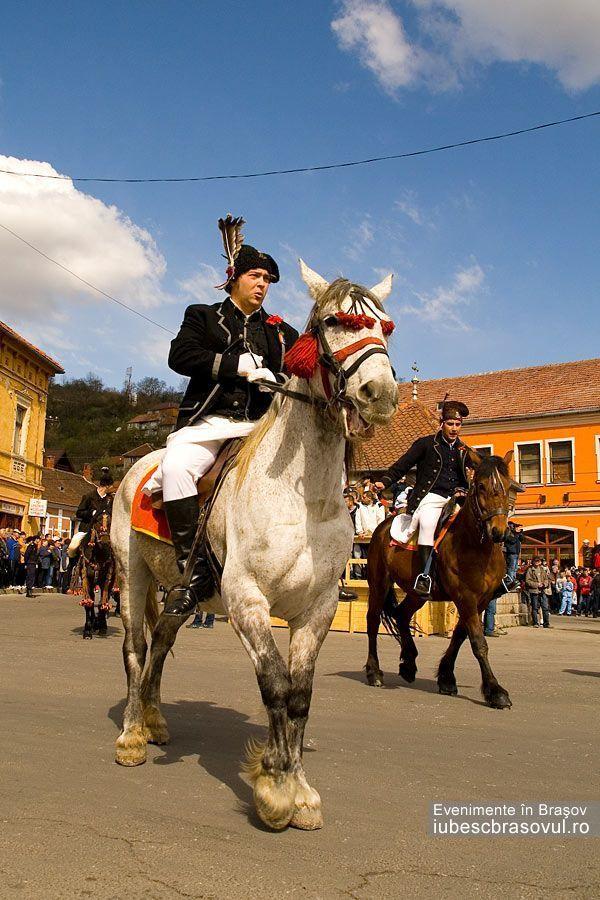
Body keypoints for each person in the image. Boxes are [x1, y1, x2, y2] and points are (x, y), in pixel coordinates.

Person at [143, 216, 298, 617]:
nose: (262, 284)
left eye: (267, 279)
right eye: (255, 275)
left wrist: (276, 377)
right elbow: (180, 357)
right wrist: (235, 366)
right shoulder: (203, 316)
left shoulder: (281, 332)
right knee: (177, 468)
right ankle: (192, 571)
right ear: (234, 278)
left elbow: (304, 369)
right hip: (209, 425)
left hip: (261, 429)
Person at [383, 399, 472, 598]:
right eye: (450, 424)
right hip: (431, 497)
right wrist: (385, 481)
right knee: (428, 523)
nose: (454, 428)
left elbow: (477, 467)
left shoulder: (463, 450)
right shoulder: (425, 444)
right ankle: (424, 576)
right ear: (442, 424)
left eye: (458, 425)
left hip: (455, 498)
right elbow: (403, 464)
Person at [68, 468, 114, 557]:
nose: (112, 488)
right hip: (87, 529)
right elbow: (79, 513)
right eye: (111, 486)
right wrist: (91, 513)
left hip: (105, 531)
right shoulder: (89, 496)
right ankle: (71, 568)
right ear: (107, 486)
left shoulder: (110, 499)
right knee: (72, 547)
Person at [525, 556, 552, 628]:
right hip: (534, 591)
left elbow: (546, 579)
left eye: (538, 561)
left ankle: (546, 623)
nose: (537, 562)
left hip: (543, 590)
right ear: (533, 562)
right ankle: (535, 623)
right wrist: (537, 584)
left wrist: (544, 584)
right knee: (534, 607)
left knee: (545, 607)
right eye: (535, 561)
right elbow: (528, 581)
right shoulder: (530, 570)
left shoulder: (542, 569)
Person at [502, 522, 523, 589]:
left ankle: (514, 581)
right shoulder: (507, 533)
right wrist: (517, 534)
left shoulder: (515, 534)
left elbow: (522, 539)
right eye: (513, 526)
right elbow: (512, 540)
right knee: (511, 568)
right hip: (511, 553)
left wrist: (520, 533)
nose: (514, 527)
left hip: (516, 553)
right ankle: (509, 582)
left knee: (515, 568)